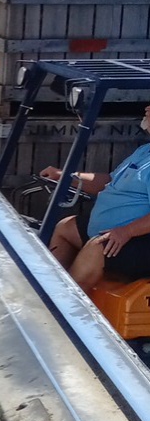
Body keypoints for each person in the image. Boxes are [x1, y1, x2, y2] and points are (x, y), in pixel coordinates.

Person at [45, 104, 150, 290]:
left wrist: (127, 231)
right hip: (114, 232)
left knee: (96, 246)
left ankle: (61, 305)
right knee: (65, 227)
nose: (147, 109)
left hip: (138, 240)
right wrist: (66, 177)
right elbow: (109, 181)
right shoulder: (144, 151)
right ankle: (48, 286)